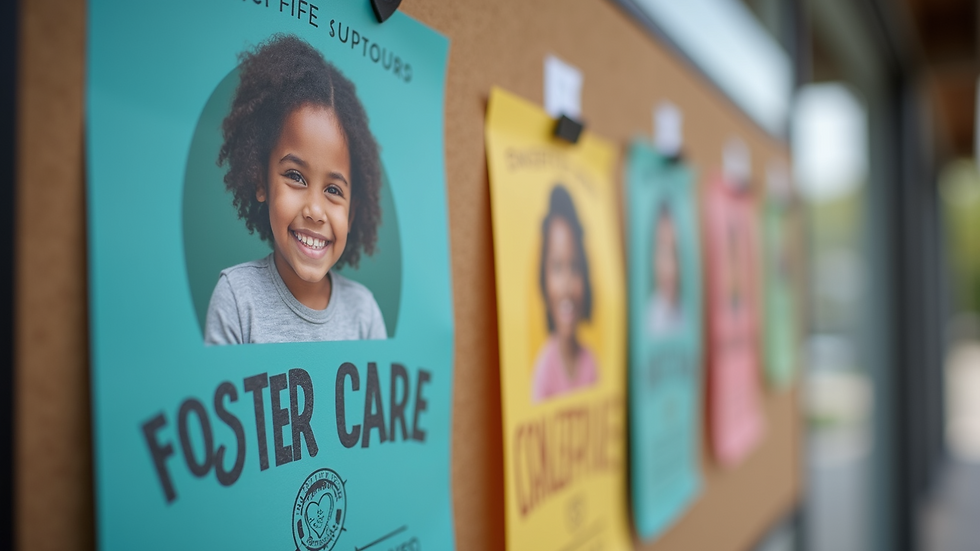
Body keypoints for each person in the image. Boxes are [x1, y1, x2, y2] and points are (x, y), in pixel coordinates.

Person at [205, 34, 386, 344]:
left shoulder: (364, 315)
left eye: (333, 190)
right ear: (261, 181)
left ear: (352, 213)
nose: (315, 211)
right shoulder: (237, 299)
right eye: (296, 176)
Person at [531, 185, 599, 403]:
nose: (567, 287)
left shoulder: (591, 365)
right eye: (557, 268)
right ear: (544, 277)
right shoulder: (543, 373)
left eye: (575, 267)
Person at [646, 203, 684, 335]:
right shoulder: (650, 318)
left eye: (675, 253)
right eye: (663, 252)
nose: (671, 268)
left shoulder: (687, 313)